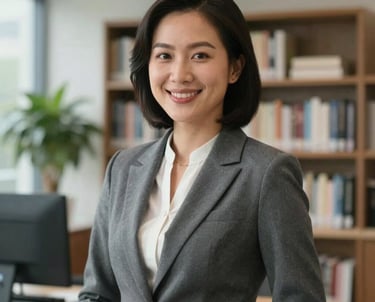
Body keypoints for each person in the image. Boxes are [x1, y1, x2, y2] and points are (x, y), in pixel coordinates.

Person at [79, 0, 326, 301]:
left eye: (200, 55)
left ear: (235, 67)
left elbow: (301, 297)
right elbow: (97, 293)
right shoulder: (122, 168)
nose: (179, 74)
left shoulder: (266, 174)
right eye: (164, 55)